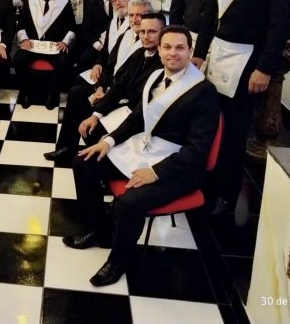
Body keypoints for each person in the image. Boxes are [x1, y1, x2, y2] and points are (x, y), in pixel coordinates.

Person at [64, 25, 220, 287]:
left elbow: (198, 151)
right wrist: (108, 141)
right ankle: (97, 230)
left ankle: (118, 263)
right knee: (84, 162)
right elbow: (138, 118)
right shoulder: (156, 76)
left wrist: (155, 172)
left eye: (180, 48)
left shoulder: (204, 92)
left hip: (180, 167)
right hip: (149, 149)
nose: (173, 53)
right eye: (167, 47)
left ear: (190, 50)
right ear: (159, 50)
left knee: (128, 202)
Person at [198, 0, 290, 214]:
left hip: (247, 62)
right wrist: (199, 53)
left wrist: (264, 68)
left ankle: (226, 195)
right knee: (210, 123)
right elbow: (210, 15)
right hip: (217, 56)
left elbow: (280, 24)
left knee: (234, 131)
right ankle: (206, 183)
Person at [46, 13, 165, 163]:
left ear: (164, 33)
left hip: (136, 115)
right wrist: (96, 114)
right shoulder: (139, 53)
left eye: (152, 32)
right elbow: (119, 84)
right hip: (118, 95)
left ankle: (99, 157)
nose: (146, 36)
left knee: (94, 121)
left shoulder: (164, 62)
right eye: (143, 31)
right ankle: (68, 148)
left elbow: (142, 105)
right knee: (77, 93)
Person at [14, 0, 76, 109]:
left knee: (64, 62)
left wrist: (65, 42)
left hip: (54, 46)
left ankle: (53, 95)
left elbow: (72, 27)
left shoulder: (64, 3)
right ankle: (25, 92)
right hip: (32, 45)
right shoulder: (29, 2)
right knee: (18, 59)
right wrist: (24, 39)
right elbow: (21, 26)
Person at [77, 0, 119, 70]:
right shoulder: (91, 3)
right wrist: (99, 47)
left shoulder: (122, 2)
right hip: (97, 45)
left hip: (118, 44)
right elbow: (85, 31)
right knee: (83, 59)